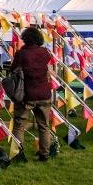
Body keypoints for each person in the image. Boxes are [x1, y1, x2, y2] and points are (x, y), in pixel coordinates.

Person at [9, 26, 57, 163]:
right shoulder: (45, 52)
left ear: (25, 39)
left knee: (19, 125)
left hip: (26, 95)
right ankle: (44, 154)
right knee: (44, 125)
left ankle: (17, 154)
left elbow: (13, 69)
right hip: (44, 94)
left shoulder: (21, 54)